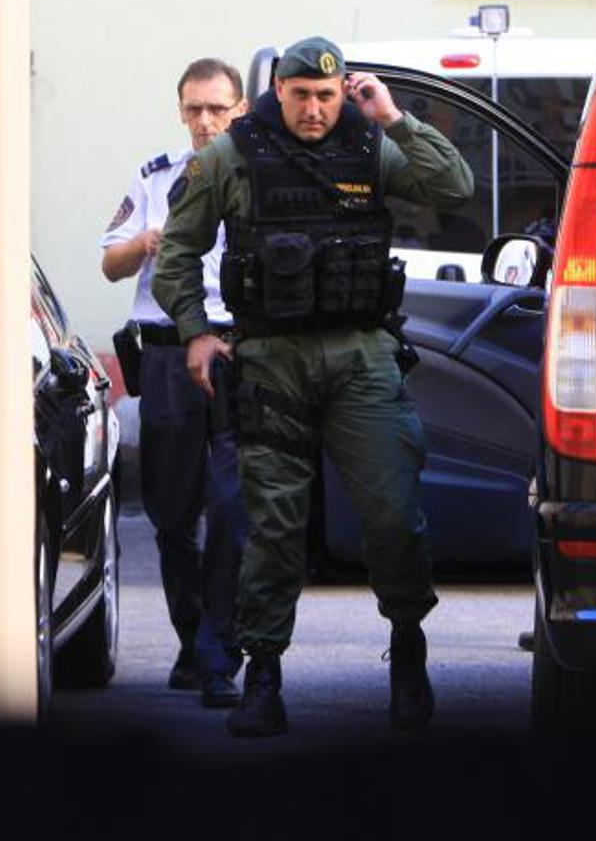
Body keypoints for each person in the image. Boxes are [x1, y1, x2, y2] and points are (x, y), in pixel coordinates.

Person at [153, 36, 474, 736]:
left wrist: (394, 117)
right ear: (279, 92)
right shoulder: (231, 155)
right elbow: (177, 253)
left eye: (327, 96)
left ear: (341, 92)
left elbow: (455, 187)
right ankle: (263, 676)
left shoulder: (370, 145)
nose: (314, 109)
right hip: (272, 362)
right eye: (301, 95)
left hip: (362, 359)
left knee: (393, 515)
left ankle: (408, 648)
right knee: (273, 529)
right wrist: (196, 331)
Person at [100, 57, 249, 708]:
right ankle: (194, 641)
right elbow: (110, 263)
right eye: (194, 109)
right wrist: (147, 242)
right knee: (170, 516)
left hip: (238, 352)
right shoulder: (157, 176)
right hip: (165, 357)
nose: (205, 121)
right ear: (181, 111)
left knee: (235, 510)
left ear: (240, 110)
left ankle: (217, 651)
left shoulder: (258, 174)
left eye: (218, 108)